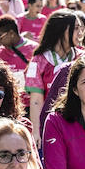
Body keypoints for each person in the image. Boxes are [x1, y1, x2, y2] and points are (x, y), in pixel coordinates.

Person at [25, 9, 81, 137]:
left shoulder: (82, 58)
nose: (80, 33)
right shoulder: (39, 60)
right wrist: (37, 131)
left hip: (77, 125)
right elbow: (36, 100)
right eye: (76, 28)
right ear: (62, 30)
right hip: (50, 125)